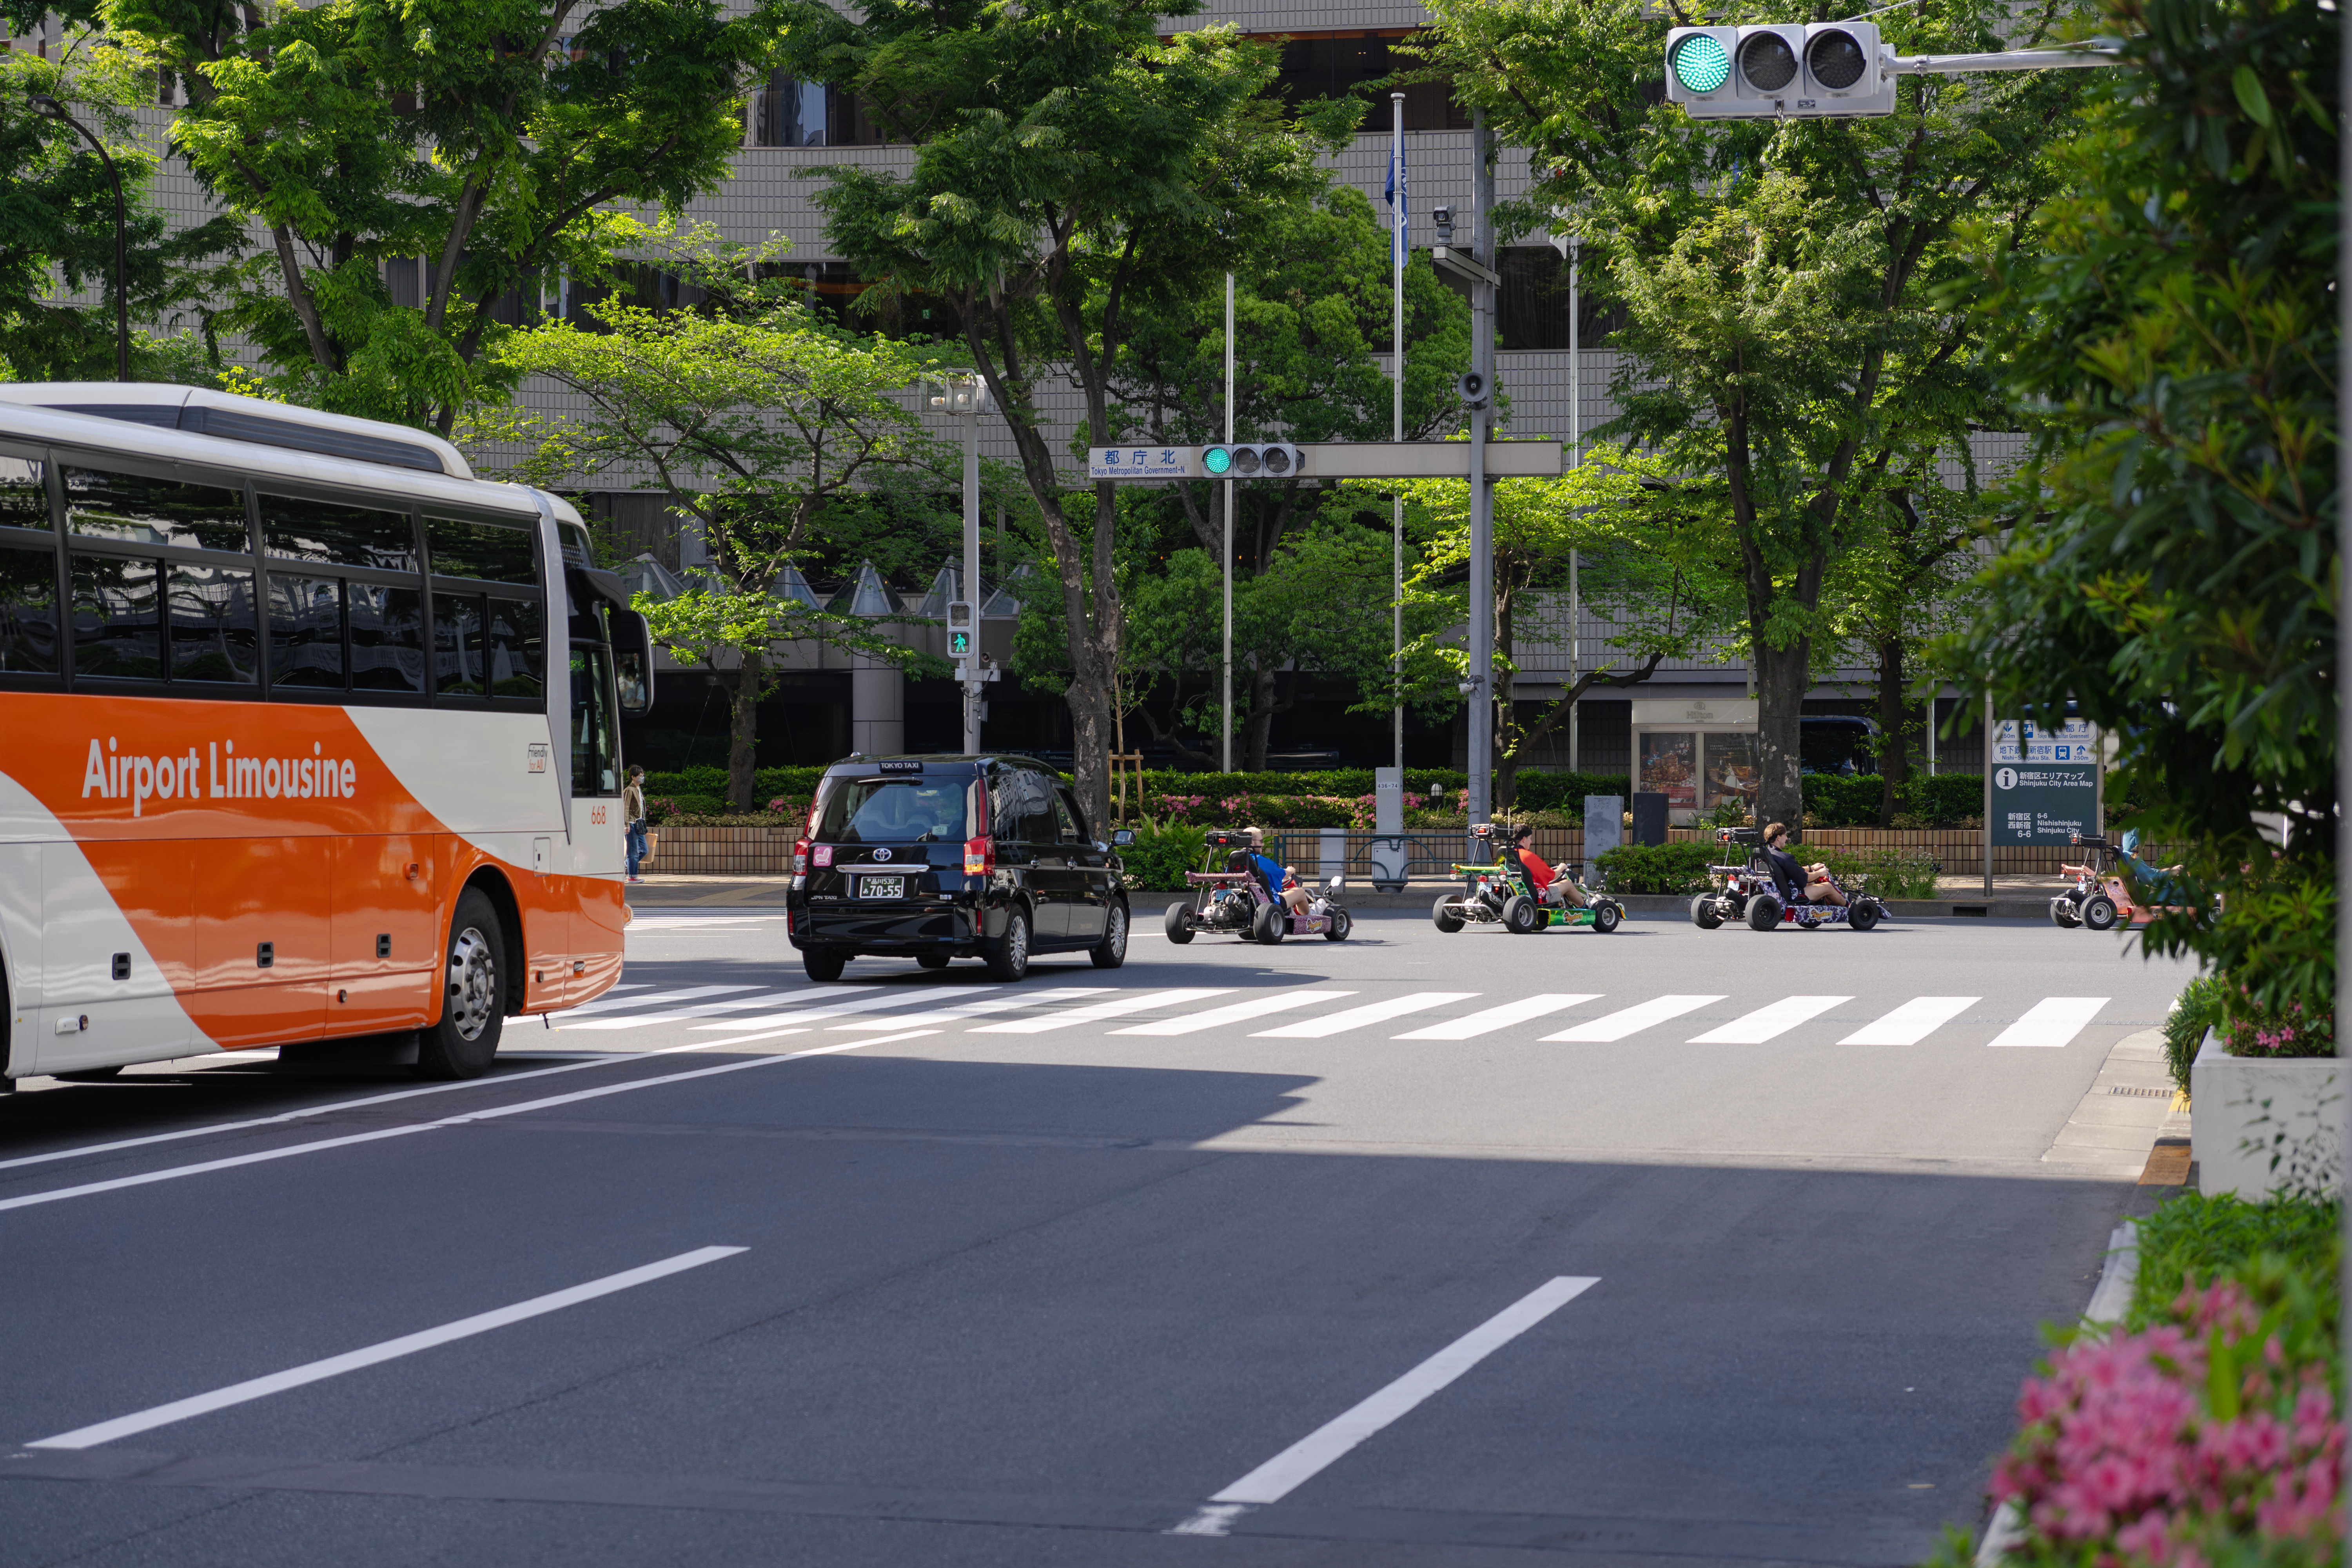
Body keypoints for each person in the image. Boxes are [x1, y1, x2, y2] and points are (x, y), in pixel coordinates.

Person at [1761, 821, 1845, 906]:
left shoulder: (1768, 854)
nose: (1787, 838)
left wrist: (1811, 868)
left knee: (1811, 884)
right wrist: (1819, 873)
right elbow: (1802, 880)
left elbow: (1793, 872)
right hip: (1793, 895)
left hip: (1781, 892)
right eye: (1785, 835)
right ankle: (1850, 908)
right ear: (1779, 838)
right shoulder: (1785, 858)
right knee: (1828, 887)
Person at [1510, 824, 1588, 909]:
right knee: (1568, 884)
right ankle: (1586, 909)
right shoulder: (1527, 856)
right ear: (1524, 839)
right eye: (1530, 838)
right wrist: (1561, 868)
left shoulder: (1509, 854)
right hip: (1539, 897)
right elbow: (1552, 876)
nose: (1531, 842)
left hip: (1516, 894)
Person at [1243, 827, 1310, 914]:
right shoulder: (1261, 861)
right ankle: (1310, 917)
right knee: (1300, 892)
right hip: (1269, 903)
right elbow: (1282, 875)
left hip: (1245, 900)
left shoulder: (1234, 861)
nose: (1263, 845)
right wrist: (1290, 871)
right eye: (1261, 842)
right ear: (1252, 842)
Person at [622, 765, 648, 883]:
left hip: (639, 825)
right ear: (633, 777)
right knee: (633, 852)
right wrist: (626, 824)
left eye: (643, 776)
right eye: (640, 776)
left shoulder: (638, 789)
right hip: (632, 824)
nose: (642, 778)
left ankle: (625, 865)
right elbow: (626, 807)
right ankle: (632, 876)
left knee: (644, 850)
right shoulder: (629, 790)